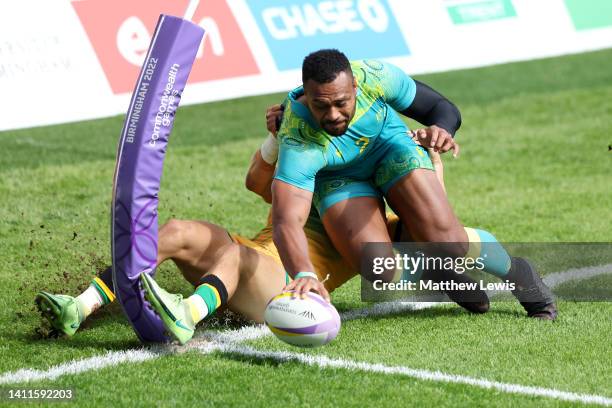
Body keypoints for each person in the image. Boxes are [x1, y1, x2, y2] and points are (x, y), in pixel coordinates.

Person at [36, 116, 488, 343]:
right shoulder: (316, 182)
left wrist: (432, 158)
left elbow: (431, 219)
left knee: (235, 256)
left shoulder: (381, 236)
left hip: (280, 286)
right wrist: (275, 135)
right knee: (175, 230)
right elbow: (255, 182)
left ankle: (190, 313)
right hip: (251, 253)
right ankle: (80, 306)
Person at [266, 49, 556, 320]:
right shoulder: (297, 140)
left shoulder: (375, 77)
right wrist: (304, 272)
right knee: (379, 269)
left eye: (341, 103)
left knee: (449, 242)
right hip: (340, 177)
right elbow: (286, 221)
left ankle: (517, 272)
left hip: (391, 148)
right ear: (307, 94)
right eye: (321, 105)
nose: (332, 115)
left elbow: (440, 107)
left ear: (355, 87)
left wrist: (441, 130)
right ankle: (433, 269)